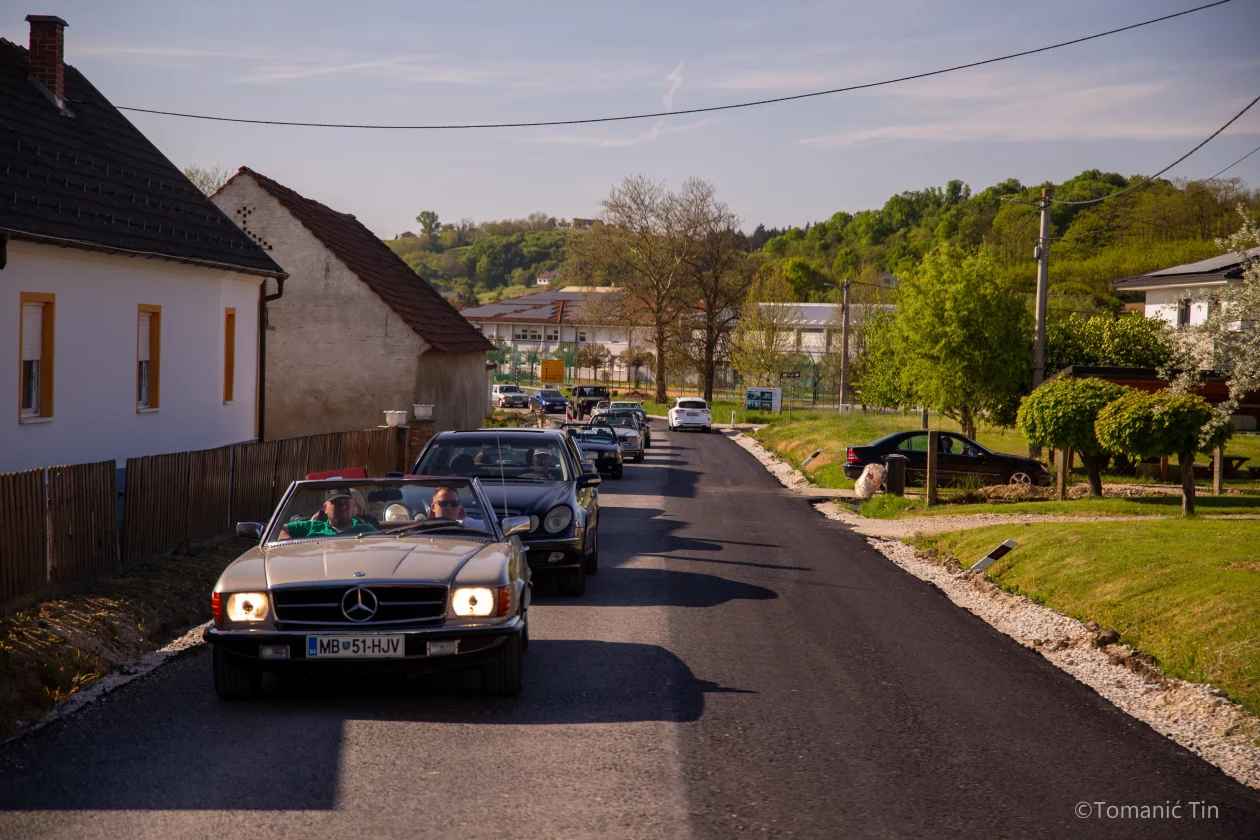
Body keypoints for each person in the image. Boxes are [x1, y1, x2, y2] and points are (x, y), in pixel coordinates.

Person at [280, 490, 378, 539]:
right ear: (325, 508)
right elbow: (278, 530)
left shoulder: (367, 530)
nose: (343, 507)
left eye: (346, 503)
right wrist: (288, 542)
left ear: (353, 506)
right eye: (337, 503)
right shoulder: (311, 527)